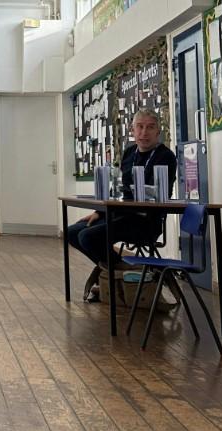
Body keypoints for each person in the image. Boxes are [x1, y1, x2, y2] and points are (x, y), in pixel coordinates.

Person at [65, 108, 176, 301]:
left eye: (150, 127)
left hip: (145, 221)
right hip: (120, 215)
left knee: (87, 236)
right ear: (132, 130)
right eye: (140, 127)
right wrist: (99, 213)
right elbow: (121, 190)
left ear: (158, 131)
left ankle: (119, 277)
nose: (144, 132)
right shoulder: (129, 153)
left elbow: (159, 195)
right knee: (72, 232)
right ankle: (127, 273)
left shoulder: (165, 156)